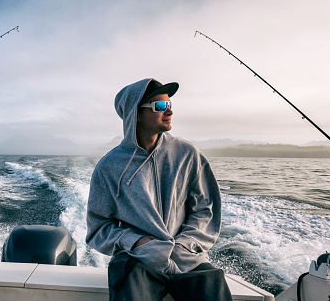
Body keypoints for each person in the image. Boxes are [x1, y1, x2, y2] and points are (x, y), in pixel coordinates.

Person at [86, 78, 232, 301]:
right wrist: (135, 242)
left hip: (187, 257)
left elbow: (205, 209)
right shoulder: (108, 168)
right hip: (137, 260)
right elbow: (98, 228)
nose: (169, 112)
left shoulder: (188, 155)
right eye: (160, 106)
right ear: (136, 113)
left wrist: (185, 243)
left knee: (214, 289)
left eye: (170, 105)